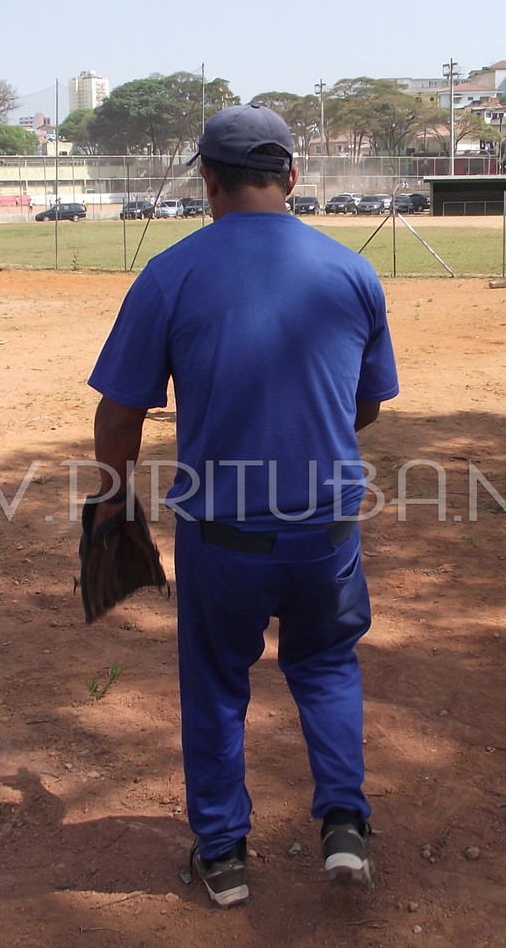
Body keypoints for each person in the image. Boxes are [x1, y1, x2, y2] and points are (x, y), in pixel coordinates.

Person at [88, 104, 399, 906]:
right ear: (291, 176)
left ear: (208, 180)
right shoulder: (351, 272)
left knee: (217, 684)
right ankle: (344, 826)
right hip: (325, 525)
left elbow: (119, 416)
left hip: (221, 529)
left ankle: (224, 855)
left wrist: (114, 500)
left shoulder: (171, 273)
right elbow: (365, 405)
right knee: (325, 666)